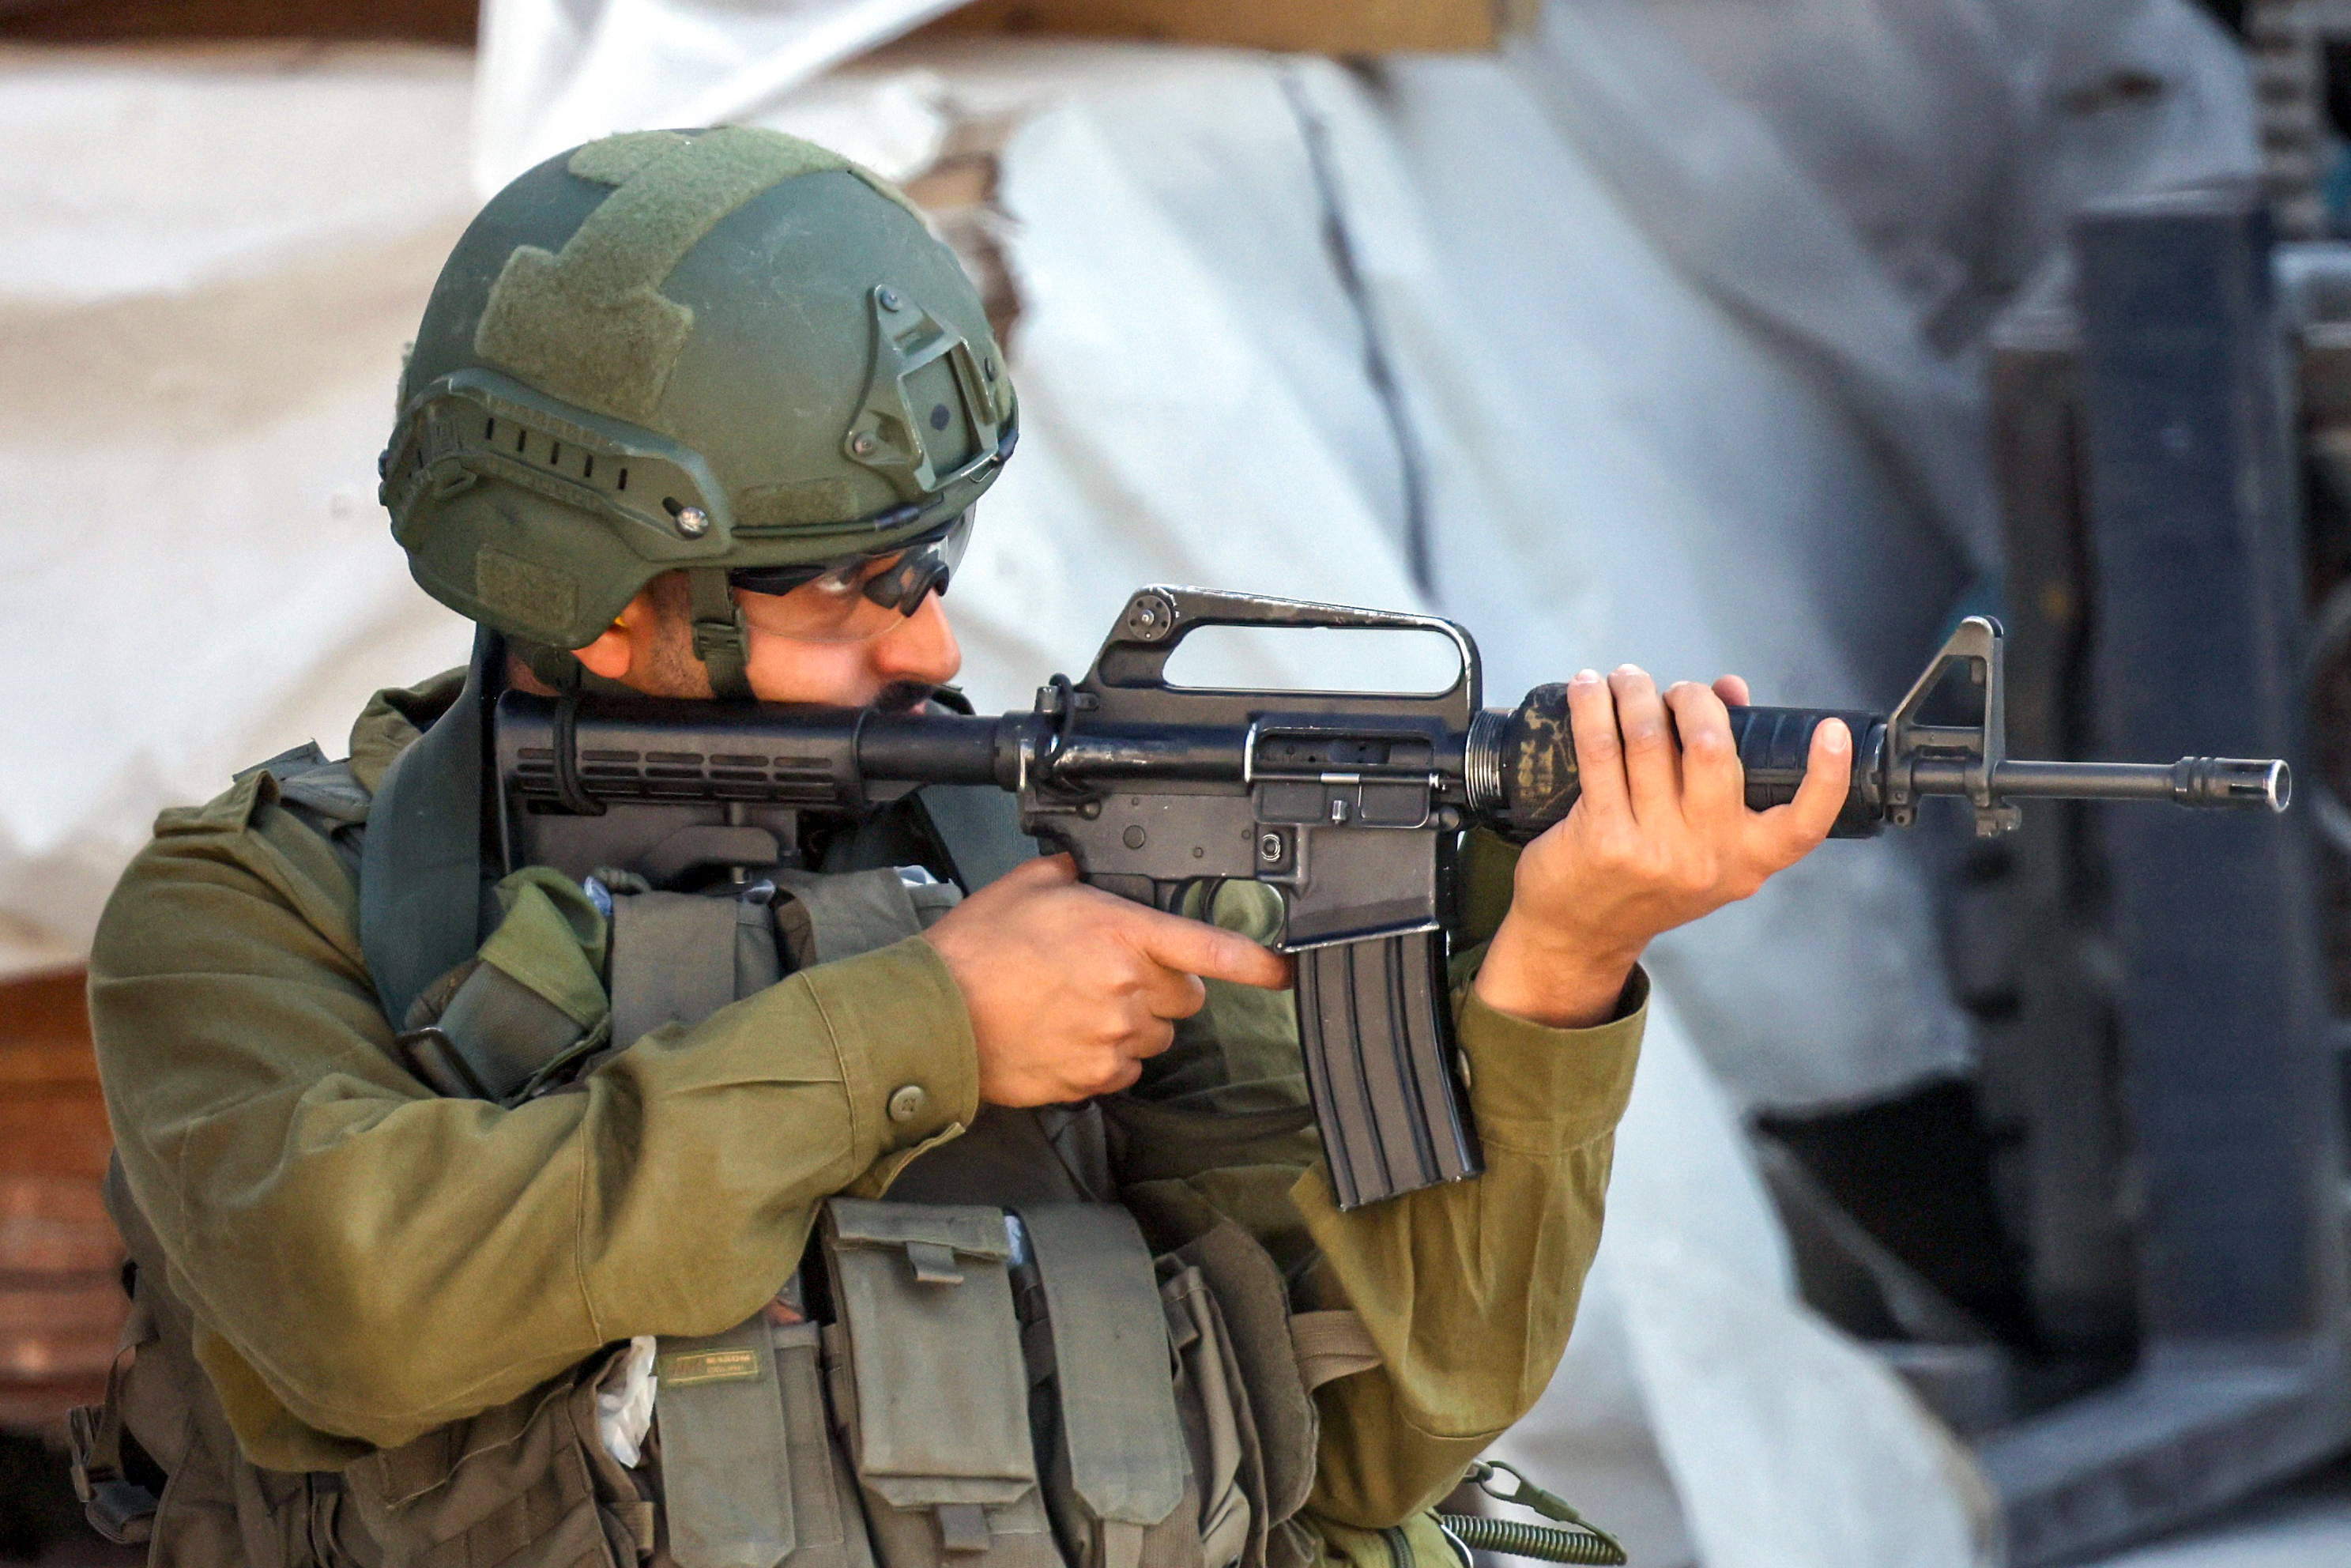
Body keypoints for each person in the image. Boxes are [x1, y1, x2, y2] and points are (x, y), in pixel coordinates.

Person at [77, 127, 1852, 1568]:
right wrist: (924, 1032)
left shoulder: (1052, 845)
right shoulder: (261, 911)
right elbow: (364, 1308)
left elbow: (1379, 1432)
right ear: (605, 608)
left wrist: (1554, 966)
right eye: (856, 586)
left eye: (937, 564)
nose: (932, 646)